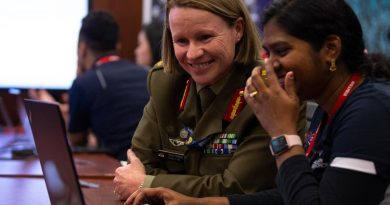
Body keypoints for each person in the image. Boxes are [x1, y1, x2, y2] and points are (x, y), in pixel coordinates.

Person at [124, 0, 390, 204]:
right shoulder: (329, 107)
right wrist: (196, 202)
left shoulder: (370, 110)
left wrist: (282, 133)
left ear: (330, 49)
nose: (271, 65)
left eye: (282, 51)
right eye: (269, 52)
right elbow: (290, 195)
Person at [113, 0, 307, 201]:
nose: (193, 53)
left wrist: (149, 183)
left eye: (205, 37)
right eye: (181, 41)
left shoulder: (269, 92)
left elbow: (235, 187)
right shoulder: (165, 82)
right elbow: (139, 162)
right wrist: (145, 179)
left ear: (238, 30)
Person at [67, 11, 149, 161]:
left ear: (82, 48)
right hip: (155, 169)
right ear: (118, 44)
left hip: (119, 169)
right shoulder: (147, 73)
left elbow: (76, 140)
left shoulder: (84, 83)